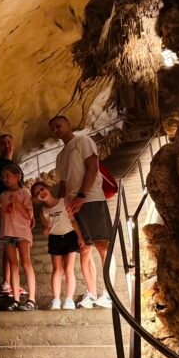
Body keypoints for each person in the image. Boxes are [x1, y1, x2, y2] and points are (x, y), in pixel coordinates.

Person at [49, 115, 113, 309]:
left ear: (69, 123)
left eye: (59, 125)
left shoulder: (82, 141)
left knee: (102, 245)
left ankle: (109, 294)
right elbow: (63, 183)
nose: (56, 130)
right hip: (73, 205)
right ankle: (92, 293)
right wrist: (61, 207)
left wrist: (82, 195)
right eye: (53, 128)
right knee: (84, 249)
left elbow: (92, 167)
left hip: (90, 198)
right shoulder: (60, 155)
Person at [0, 134, 25, 299]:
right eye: (3, 143)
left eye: (9, 142)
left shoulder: (16, 166)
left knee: (12, 244)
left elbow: (20, 189)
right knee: (8, 244)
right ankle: (6, 282)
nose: (7, 145)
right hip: (2, 207)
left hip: (15, 210)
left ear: (13, 144)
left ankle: (8, 282)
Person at [31, 181, 79, 310]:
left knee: (69, 268)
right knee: (57, 269)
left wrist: (80, 236)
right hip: (55, 239)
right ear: (36, 198)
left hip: (70, 236)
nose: (41, 193)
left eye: (42, 189)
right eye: (37, 193)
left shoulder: (64, 201)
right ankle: (56, 299)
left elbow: (73, 220)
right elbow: (45, 227)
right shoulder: (43, 210)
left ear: (48, 187)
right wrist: (45, 230)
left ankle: (69, 299)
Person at [0, 163, 37, 311]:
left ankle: (31, 299)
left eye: (7, 176)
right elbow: (1, 216)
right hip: (7, 232)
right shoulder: (2, 195)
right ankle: (15, 298)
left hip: (21, 233)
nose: (5, 179)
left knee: (26, 263)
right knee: (13, 265)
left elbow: (28, 215)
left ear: (17, 176)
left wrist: (17, 203)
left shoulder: (24, 192)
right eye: (3, 177)